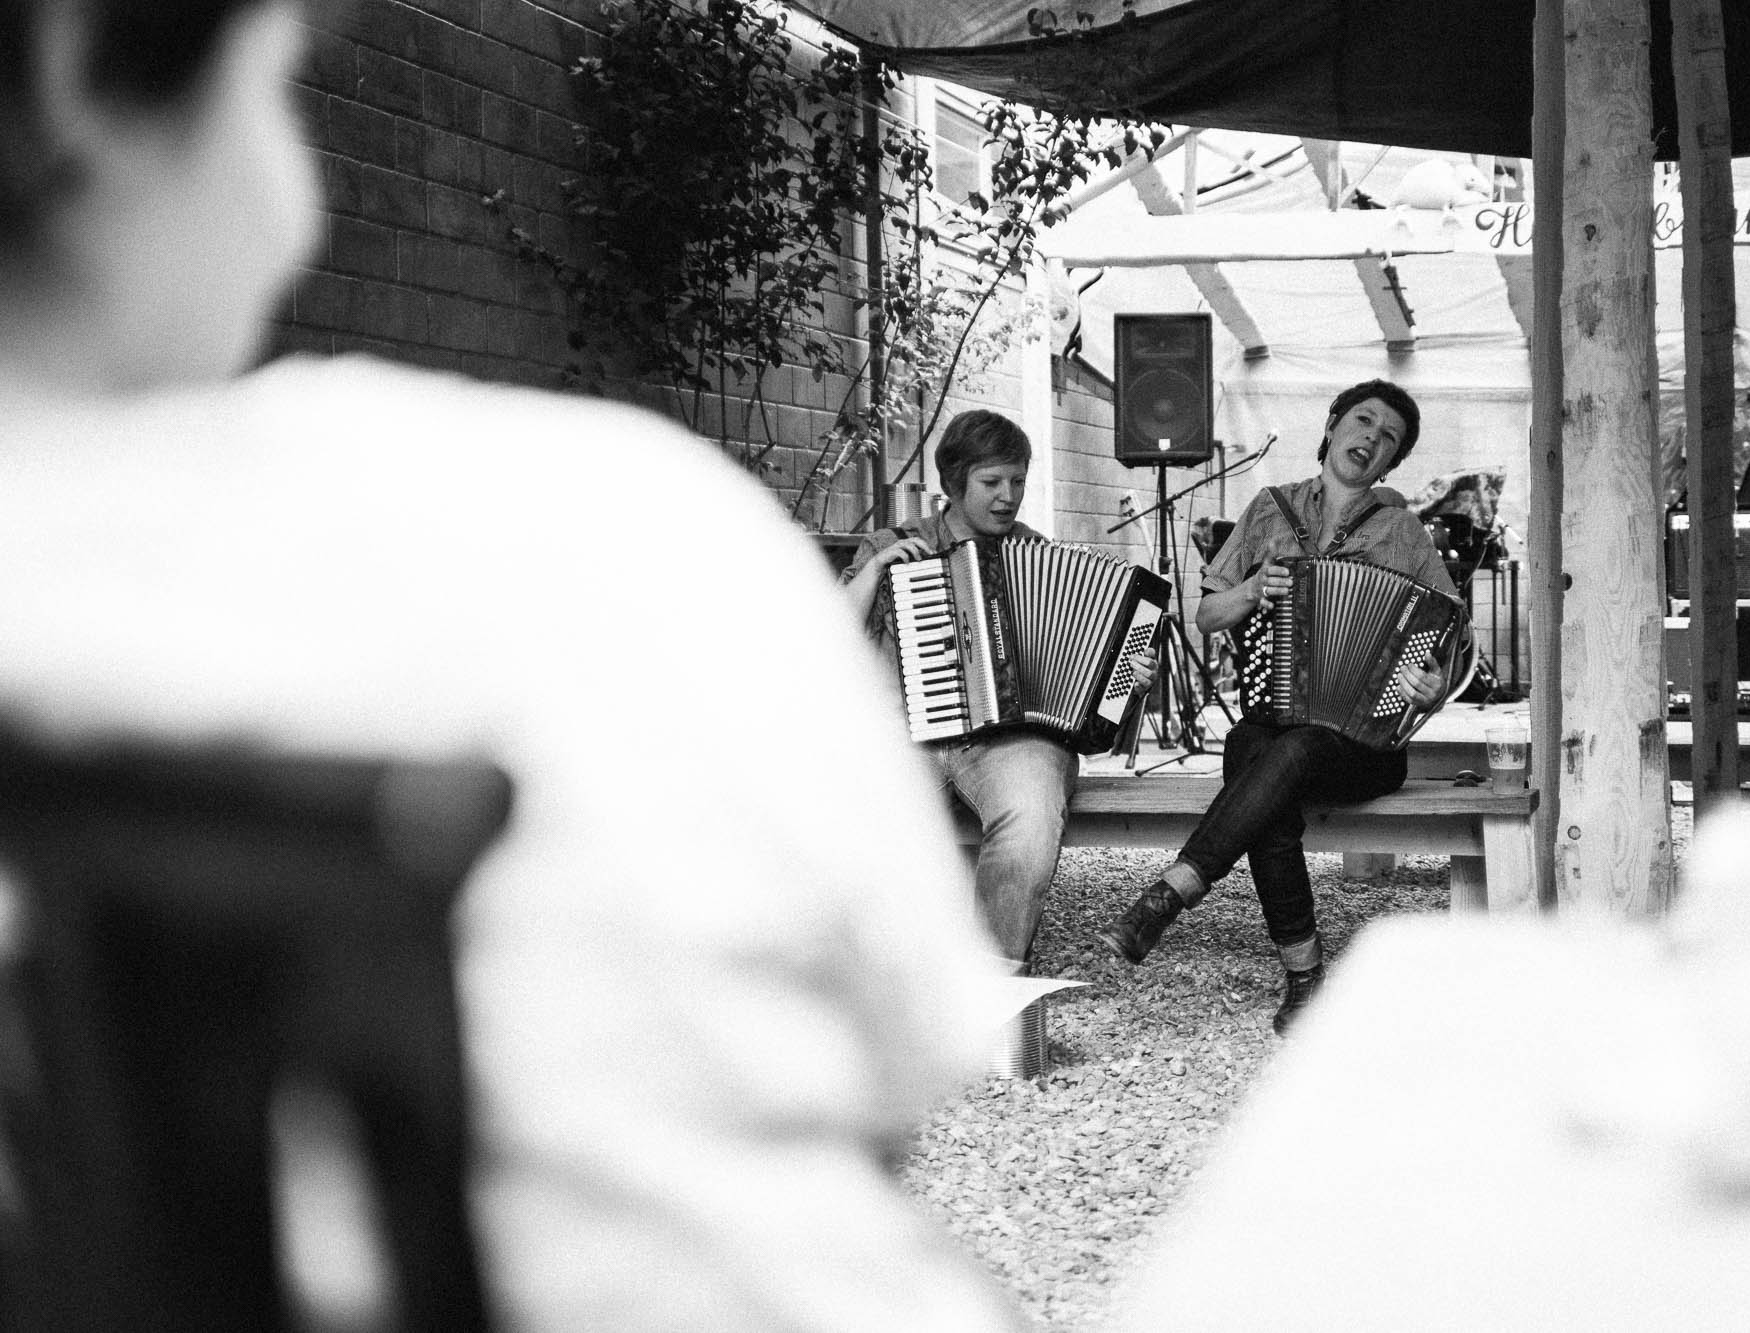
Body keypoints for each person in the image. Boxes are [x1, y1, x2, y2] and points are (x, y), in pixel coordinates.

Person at [0, 2, 1024, 1329]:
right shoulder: (594, 532)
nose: (298, 200)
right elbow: (905, 1063)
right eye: (276, 88)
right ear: (80, 69)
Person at [1098, 380, 1456, 1034]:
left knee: (1284, 751)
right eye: (1363, 420)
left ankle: (1175, 890)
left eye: (1389, 438)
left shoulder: (1402, 532)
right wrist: (1254, 588)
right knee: (1250, 748)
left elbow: (1448, 636)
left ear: (1391, 462)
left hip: (1366, 745)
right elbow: (1207, 615)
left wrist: (1431, 685)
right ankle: (1304, 975)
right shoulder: (1270, 510)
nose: (1371, 438)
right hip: (1276, 722)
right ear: (1333, 424)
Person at [842, 409, 1154, 972]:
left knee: (1030, 818)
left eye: (1017, 481)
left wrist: (1127, 682)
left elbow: (1085, 685)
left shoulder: (1041, 556)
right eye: (991, 482)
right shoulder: (894, 545)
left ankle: (993, 983)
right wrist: (875, 570)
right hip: (904, 738)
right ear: (953, 483)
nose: (1008, 497)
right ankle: (872, 986)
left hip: (1009, 741)